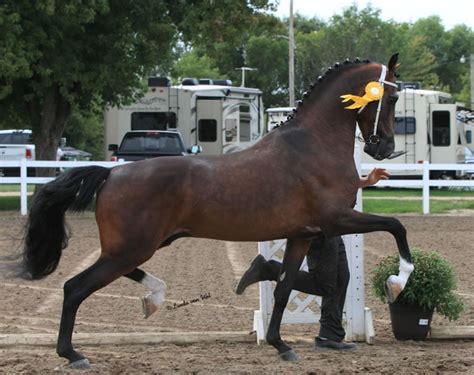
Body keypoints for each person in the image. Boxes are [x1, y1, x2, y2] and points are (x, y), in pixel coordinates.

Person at [236, 168, 390, 350]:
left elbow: (332, 179)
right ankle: (268, 269)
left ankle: (329, 335)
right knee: (325, 285)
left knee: (342, 277)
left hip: (331, 221)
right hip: (318, 224)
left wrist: (364, 182)